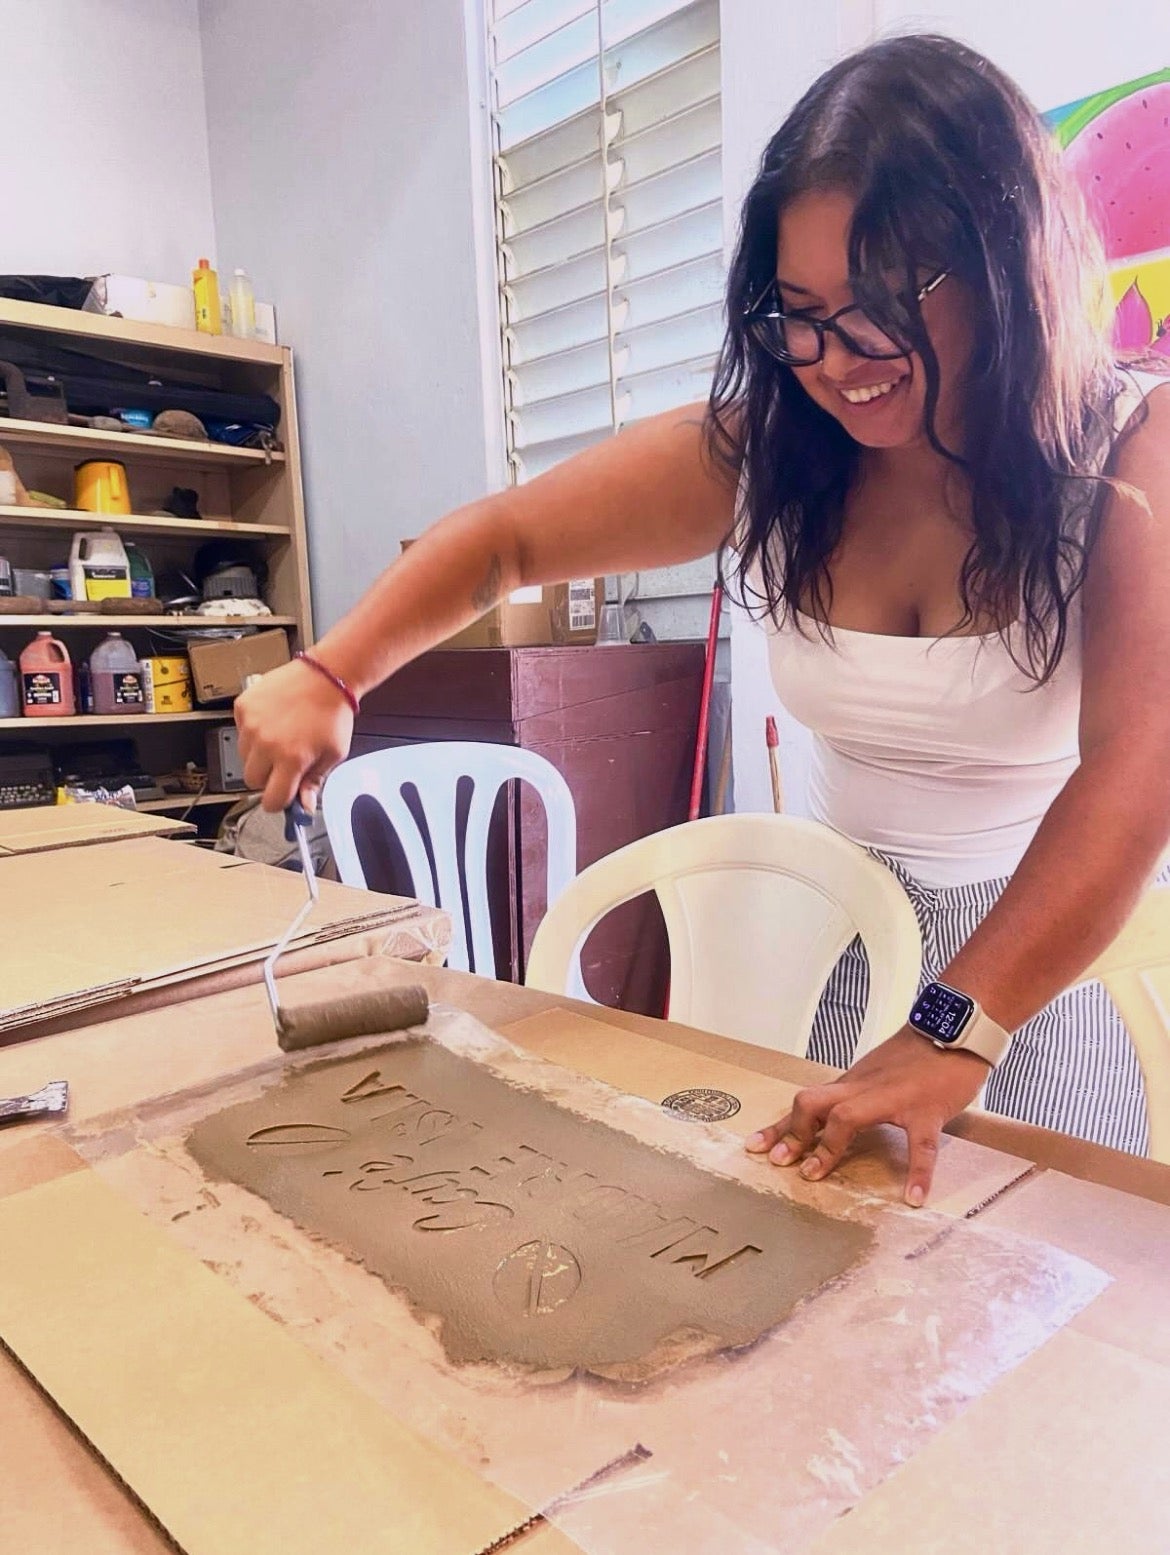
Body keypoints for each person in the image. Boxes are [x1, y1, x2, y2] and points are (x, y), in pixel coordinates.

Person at [236, 34, 1170, 1206]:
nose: (838, 362)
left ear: (1003, 262)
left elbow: (1136, 770)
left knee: (1048, 1294)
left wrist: (949, 1031)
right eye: (800, 315)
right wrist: (331, 671)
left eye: (881, 307)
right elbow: (507, 541)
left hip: (1041, 964)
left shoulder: (1130, 449)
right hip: (838, 941)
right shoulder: (776, 446)